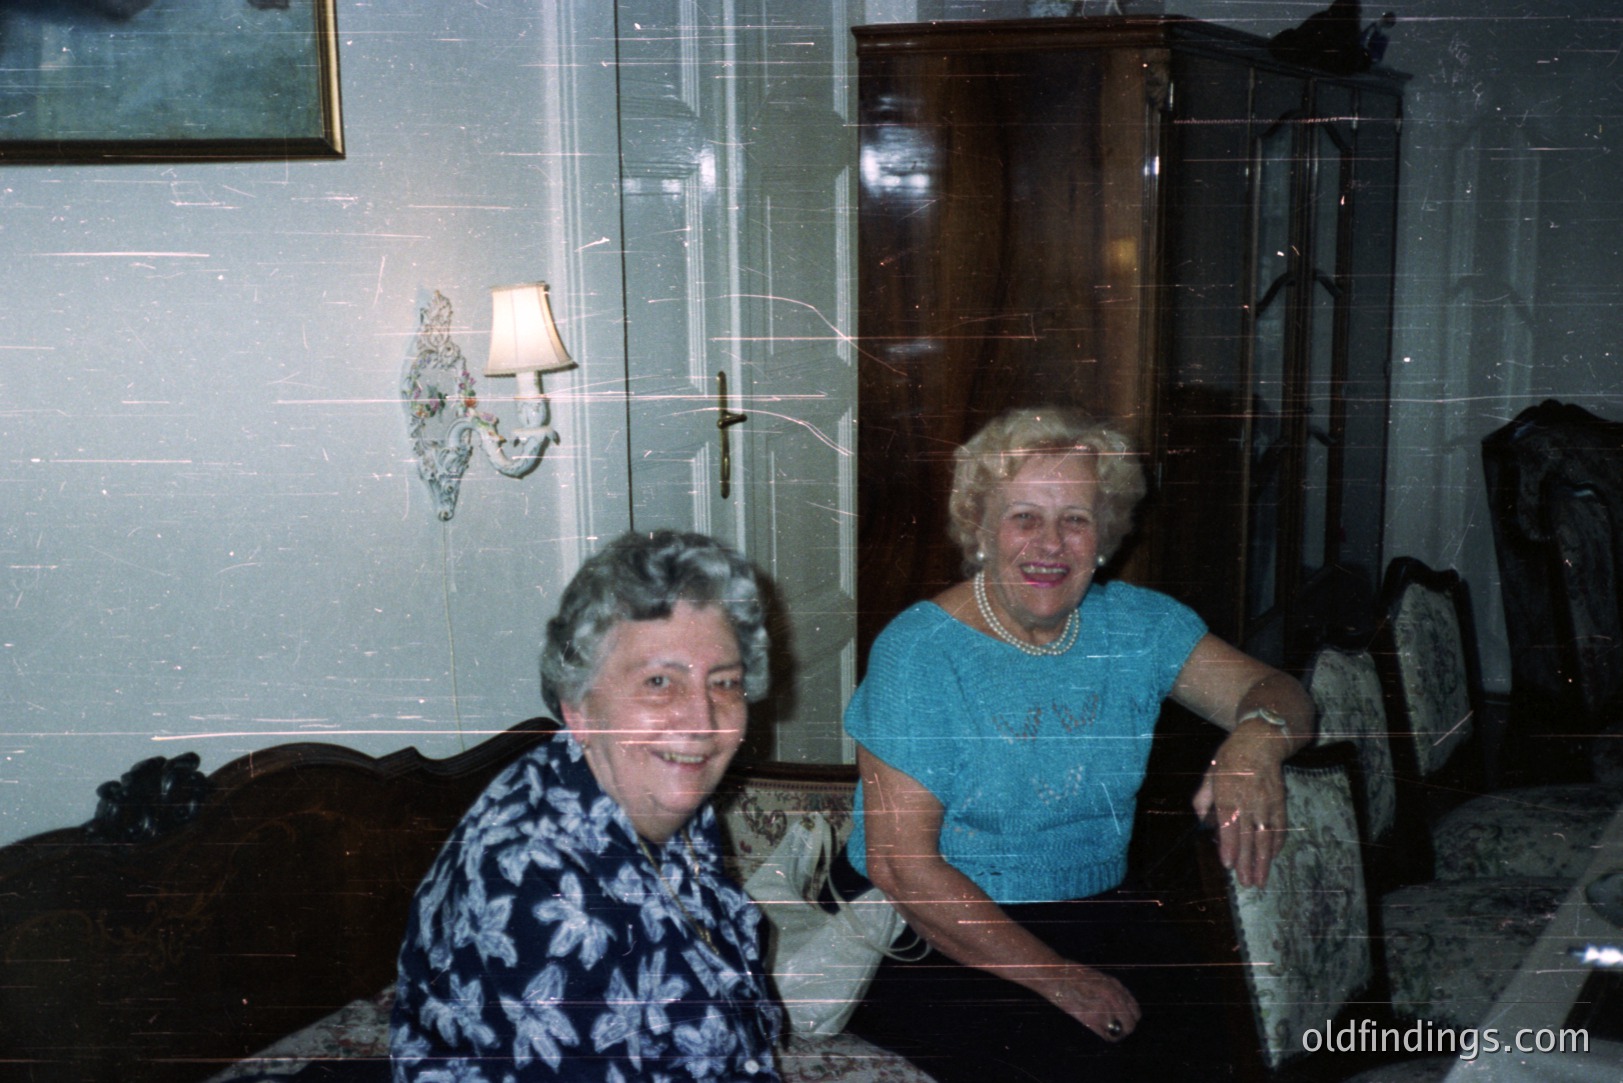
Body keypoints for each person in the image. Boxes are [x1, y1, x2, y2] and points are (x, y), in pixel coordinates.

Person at [837, 407, 1316, 1082]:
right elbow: (901, 865)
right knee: (1080, 1060)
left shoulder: (1138, 625)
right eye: (1022, 516)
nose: (1049, 543)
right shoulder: (919, 653)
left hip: (1093, 908)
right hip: (931, 928)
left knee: (1221, 1042)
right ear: (979, 529)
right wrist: (1056, 979)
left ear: (1106, 536)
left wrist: (1254, 742)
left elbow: (1280, 690)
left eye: (1075, 519)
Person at [391, 530, 782, 1083]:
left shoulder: (661, 791)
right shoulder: (537, 887)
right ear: (578, 708)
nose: (701, 719)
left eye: (725, 683)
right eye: (658, 682)